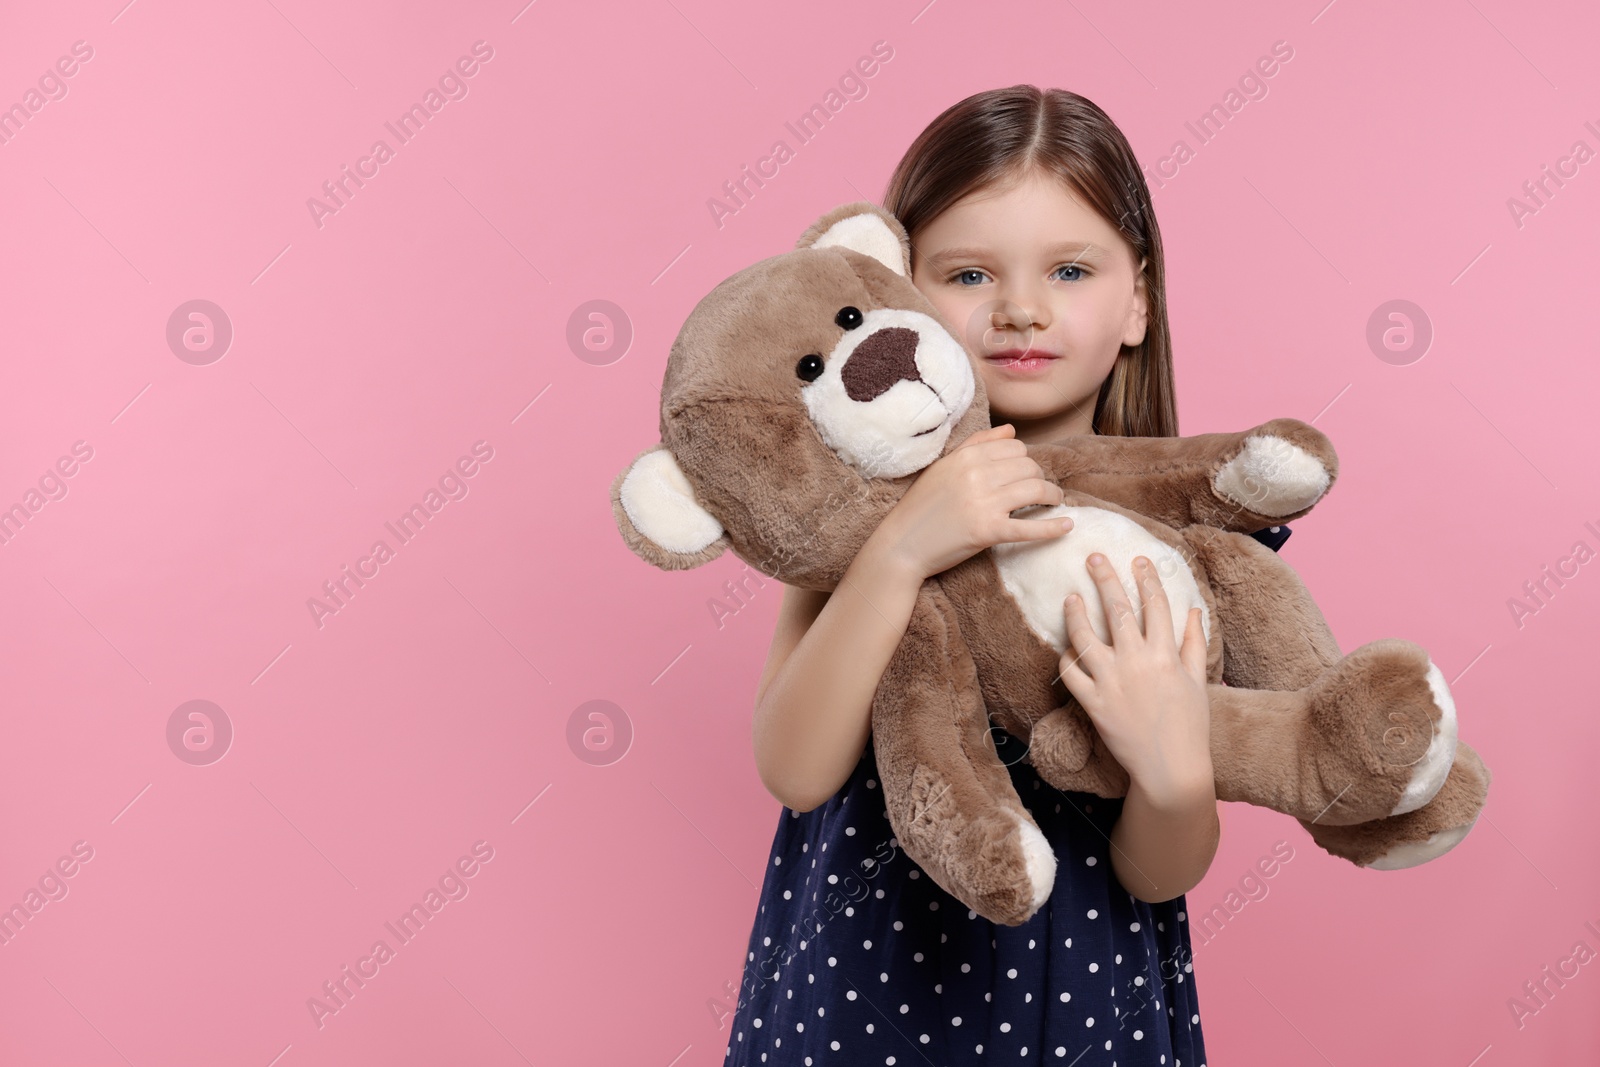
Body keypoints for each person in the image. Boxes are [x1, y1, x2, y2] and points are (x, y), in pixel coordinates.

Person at [724, 85, 1290, 1067]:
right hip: (857, 999)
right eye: (968, 273)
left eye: (1070, 269)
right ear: (898, 288)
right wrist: (902, 549)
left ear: (1139, 299)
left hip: (1082, 998)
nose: (1021, 307)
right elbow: (795, 767)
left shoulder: (1175, 545)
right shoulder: (849, 508)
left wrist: (1171, 766)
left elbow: (1159, 872)